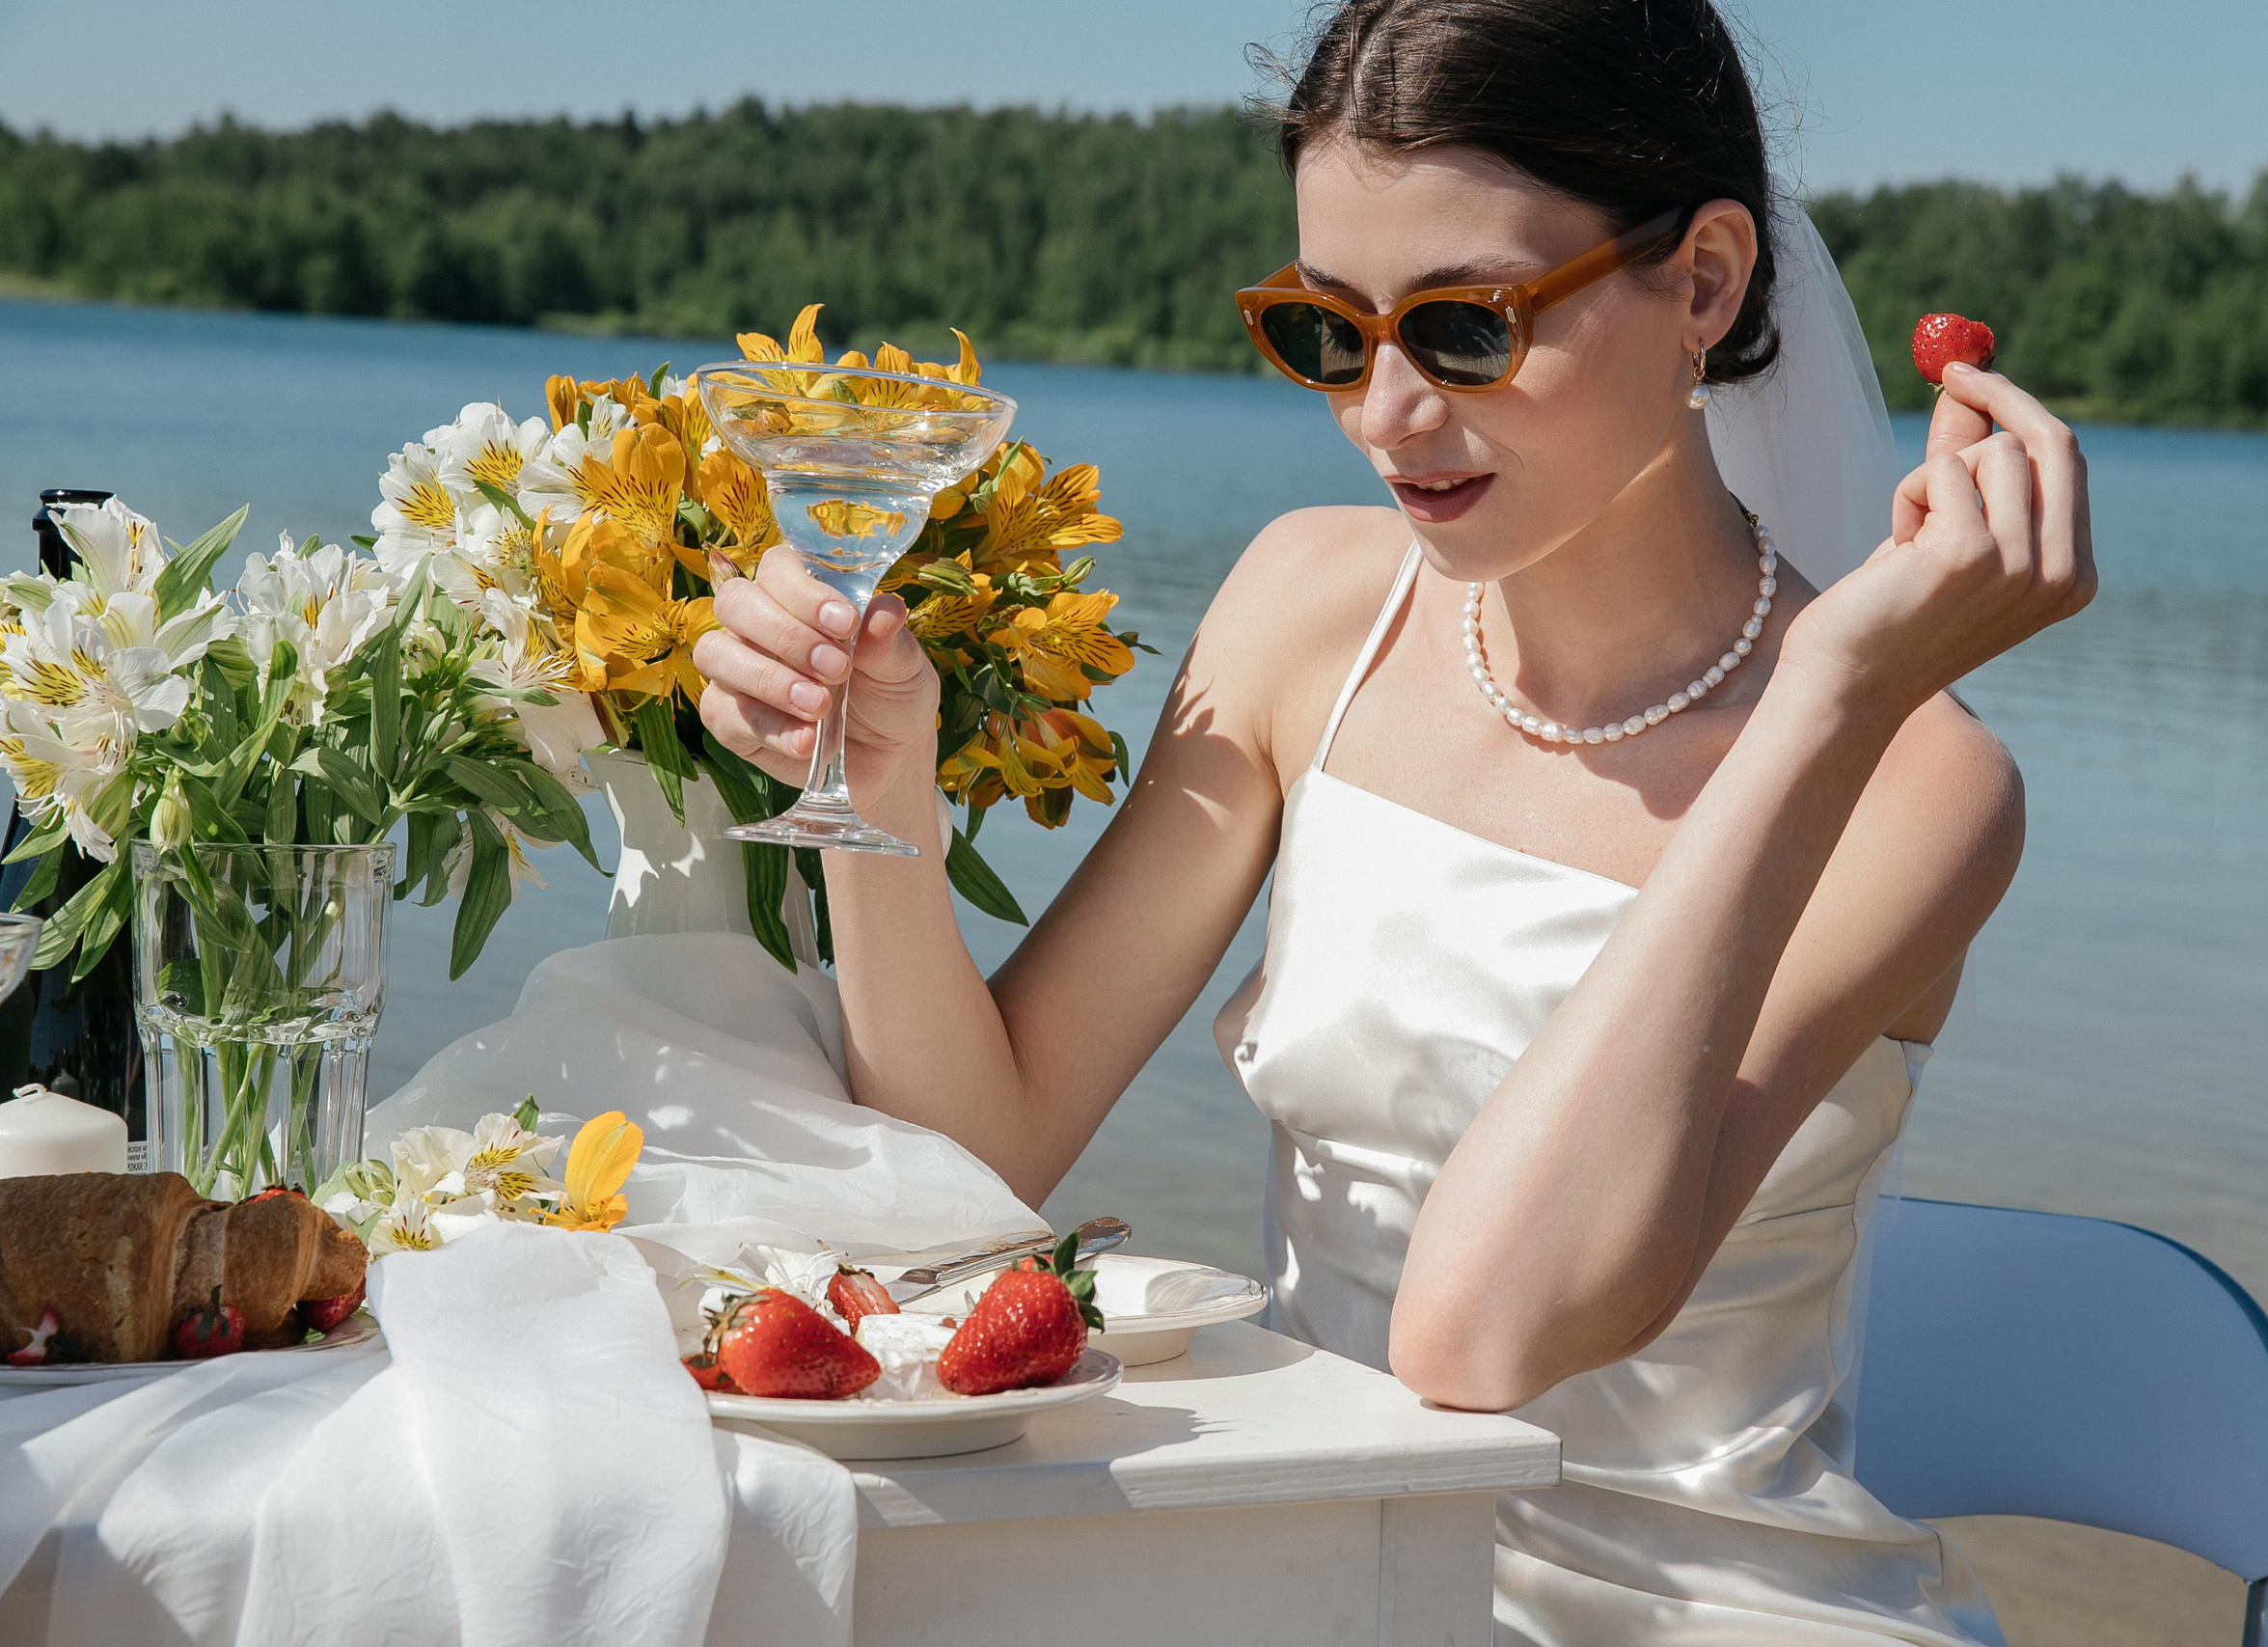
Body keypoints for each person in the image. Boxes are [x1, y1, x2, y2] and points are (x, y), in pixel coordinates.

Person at [694, 2, 2091, 1638]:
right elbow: (975, 1160)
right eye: (1325, 332)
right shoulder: (1309, 610)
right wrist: (879, 782)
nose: (1385, 415)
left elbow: (1477, 1335)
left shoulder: (1915, 782)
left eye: (1467, 330)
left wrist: (1826, 699)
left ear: (1704, 281)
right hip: (1307, 1559)